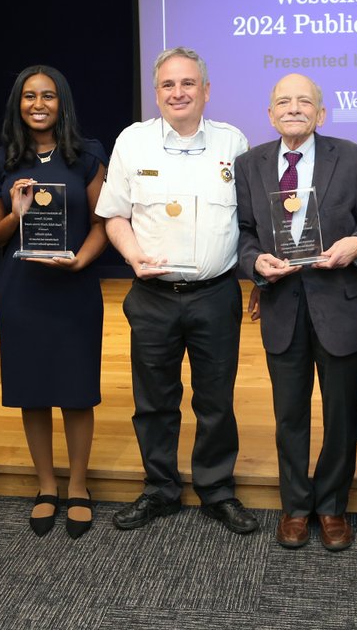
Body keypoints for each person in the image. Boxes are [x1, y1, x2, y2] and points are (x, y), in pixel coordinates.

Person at [95, 47, 258, 535]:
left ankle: (216, 489)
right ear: (156, 91)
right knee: (154, 400)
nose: (178, 92)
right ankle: (159, 488)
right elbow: (114, 215)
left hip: (215, 293)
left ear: (206, 91)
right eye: (168, 85)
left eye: (188, 83)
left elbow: (249, 220)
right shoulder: (132, 141)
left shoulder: (234, 143)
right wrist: (131, 255)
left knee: (215, 400)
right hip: (152, 297)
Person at [234, 73, 357, 551]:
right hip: (282, 306)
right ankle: (295, 505)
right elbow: (246, 232)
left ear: (322, 113)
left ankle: (332, 505)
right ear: (269, 113)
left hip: (340, 304)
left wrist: (356, 244)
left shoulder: (352, 157)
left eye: (304, 101)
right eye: (283, 102)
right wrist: (254, 262)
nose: (293, 108)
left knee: (340, 415)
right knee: (289, 414)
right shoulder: (249, 164)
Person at [0, 65, 109, 539]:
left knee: (76, 392)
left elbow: (103, 224)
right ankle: (46, 485)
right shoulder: (1, 161)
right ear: (18, 103)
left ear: (62, 103)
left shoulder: (87, 156)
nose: (38, 104)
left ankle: (78, 485)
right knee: (32, 392)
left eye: (49, 96)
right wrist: (17, 214)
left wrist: (79, 263)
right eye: (30, 96)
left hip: (73, 288)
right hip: (22, 292)